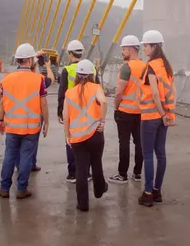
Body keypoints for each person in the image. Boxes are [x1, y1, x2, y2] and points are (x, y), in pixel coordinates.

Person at [0, 43, 52, 199]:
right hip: (31, 127)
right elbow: (44, 104)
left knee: (9, 156)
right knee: (26, 156)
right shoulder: (38, 79)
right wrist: (46, 123)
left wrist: (0, 120)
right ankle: (21, 189)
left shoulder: (7, 79)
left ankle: (4, 188)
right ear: (28, 60)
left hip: (12, 126)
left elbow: (3, 103)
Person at [63, 59, 109, 211]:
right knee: (96, 162)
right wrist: (102, 121)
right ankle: (99, 190)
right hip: (95, 134)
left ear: (77, 75)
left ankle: (82, 204)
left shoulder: (69, 93)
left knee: (81, 169)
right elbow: (104, 102)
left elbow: (66, 116)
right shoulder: (96, 87)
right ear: (92, 75)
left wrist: (67, 136)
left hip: (77, 138)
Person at [137, 30, 176, 207]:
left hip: (151, 116)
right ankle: (157, 191)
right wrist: (167, 115)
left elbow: (154, 93)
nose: (144, 48)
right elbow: (170, 93)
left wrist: (160, 114)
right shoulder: (166, 66)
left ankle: (147, 193)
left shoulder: (152, 66)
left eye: (146, 45)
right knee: (161, 153)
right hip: (164, 116)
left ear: (154, 46)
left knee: (148, 155)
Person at [108, 35, 145, 184]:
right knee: (139, 143)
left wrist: (116, 106)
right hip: (141, 112)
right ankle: (137, 173)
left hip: (125, 112)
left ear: (130, 49)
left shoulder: (126, 67)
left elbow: (119, 92)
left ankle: (122, 174)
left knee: (124, 142)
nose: (122, 52)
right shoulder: (145, 66)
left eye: (124, 49)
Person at [57, 39, 91, 184]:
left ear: (70, 54)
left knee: (70, 141)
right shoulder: (92, 69)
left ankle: (73, 173)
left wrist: (60, 112)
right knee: (87, 141)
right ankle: (86, 172)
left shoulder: (67, 70)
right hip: (89, 112)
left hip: (72, 112)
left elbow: (62, 93)